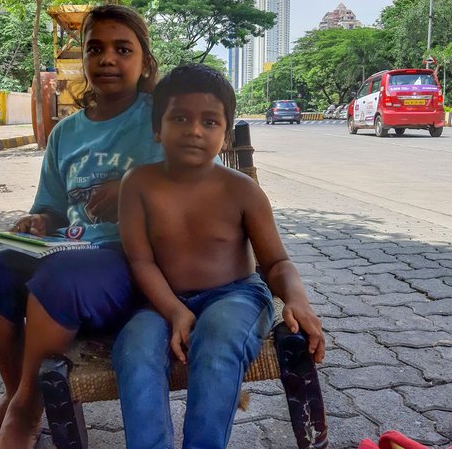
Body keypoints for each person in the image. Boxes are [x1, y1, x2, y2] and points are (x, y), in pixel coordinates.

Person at [0, 4, 164, 449]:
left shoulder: (160, 121)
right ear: (83, 61)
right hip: (71, 253)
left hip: (135, 265)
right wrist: (38, 221)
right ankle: (16, 394)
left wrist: (130, 191)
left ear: (144, 61)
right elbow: (51, 206)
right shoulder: (66, 134)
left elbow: (188, 187)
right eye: (95, 48)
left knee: (55, 281)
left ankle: (25, 411)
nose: (108, 58)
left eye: (122, 49)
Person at [112, 64, 325, 449]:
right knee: (135, 348)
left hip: (237, 296)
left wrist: (297, 300)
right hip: (160, 300)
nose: (195, 130)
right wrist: (175, 311)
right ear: (157, 128)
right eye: (180, 118)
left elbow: (276, 263)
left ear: (225, 136)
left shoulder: (243, 191)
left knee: (218, 338)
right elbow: (140, 262)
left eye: (210, 122)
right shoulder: (138, 185)